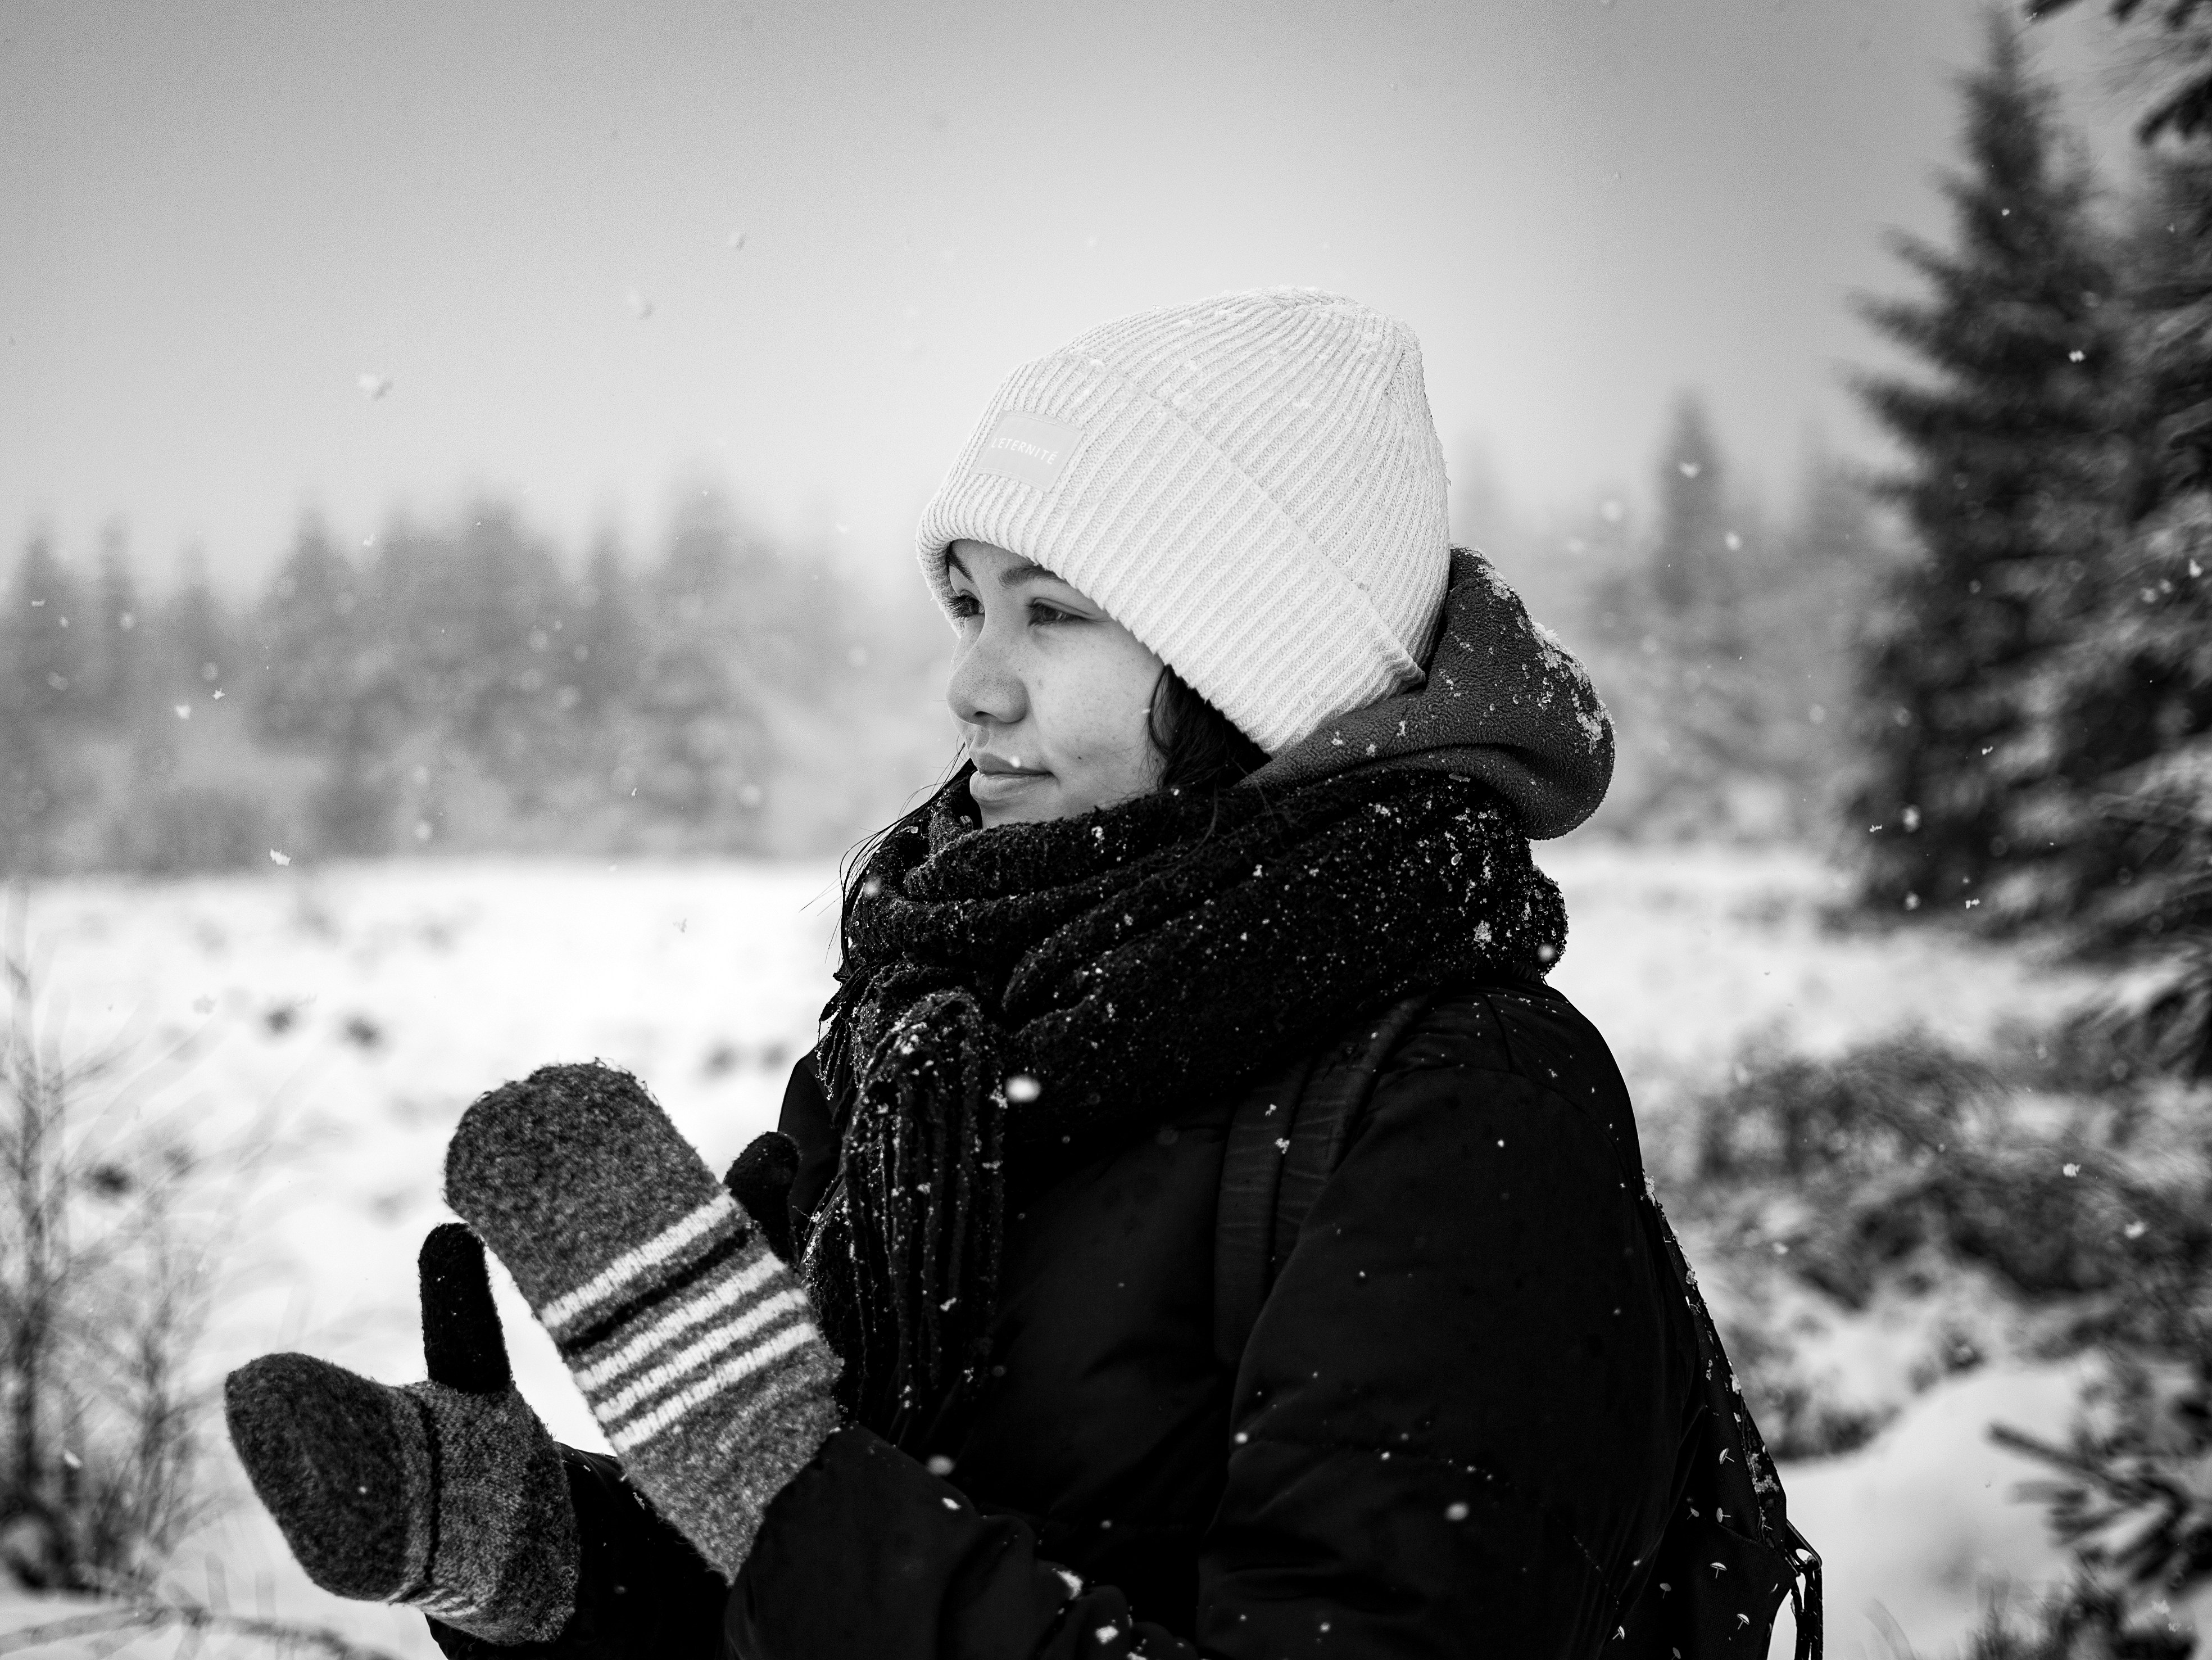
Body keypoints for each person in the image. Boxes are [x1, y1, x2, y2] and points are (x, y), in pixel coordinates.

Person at [225, 289, 1819, 1659]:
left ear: (1247, 669)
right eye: (971, 603)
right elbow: (788, 1607)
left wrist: (775, 1479)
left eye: (1052, 615)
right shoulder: (930, 1046)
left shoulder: (1462, 1103)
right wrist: (540, 1556)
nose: (972, 683)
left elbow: (829, 1539)